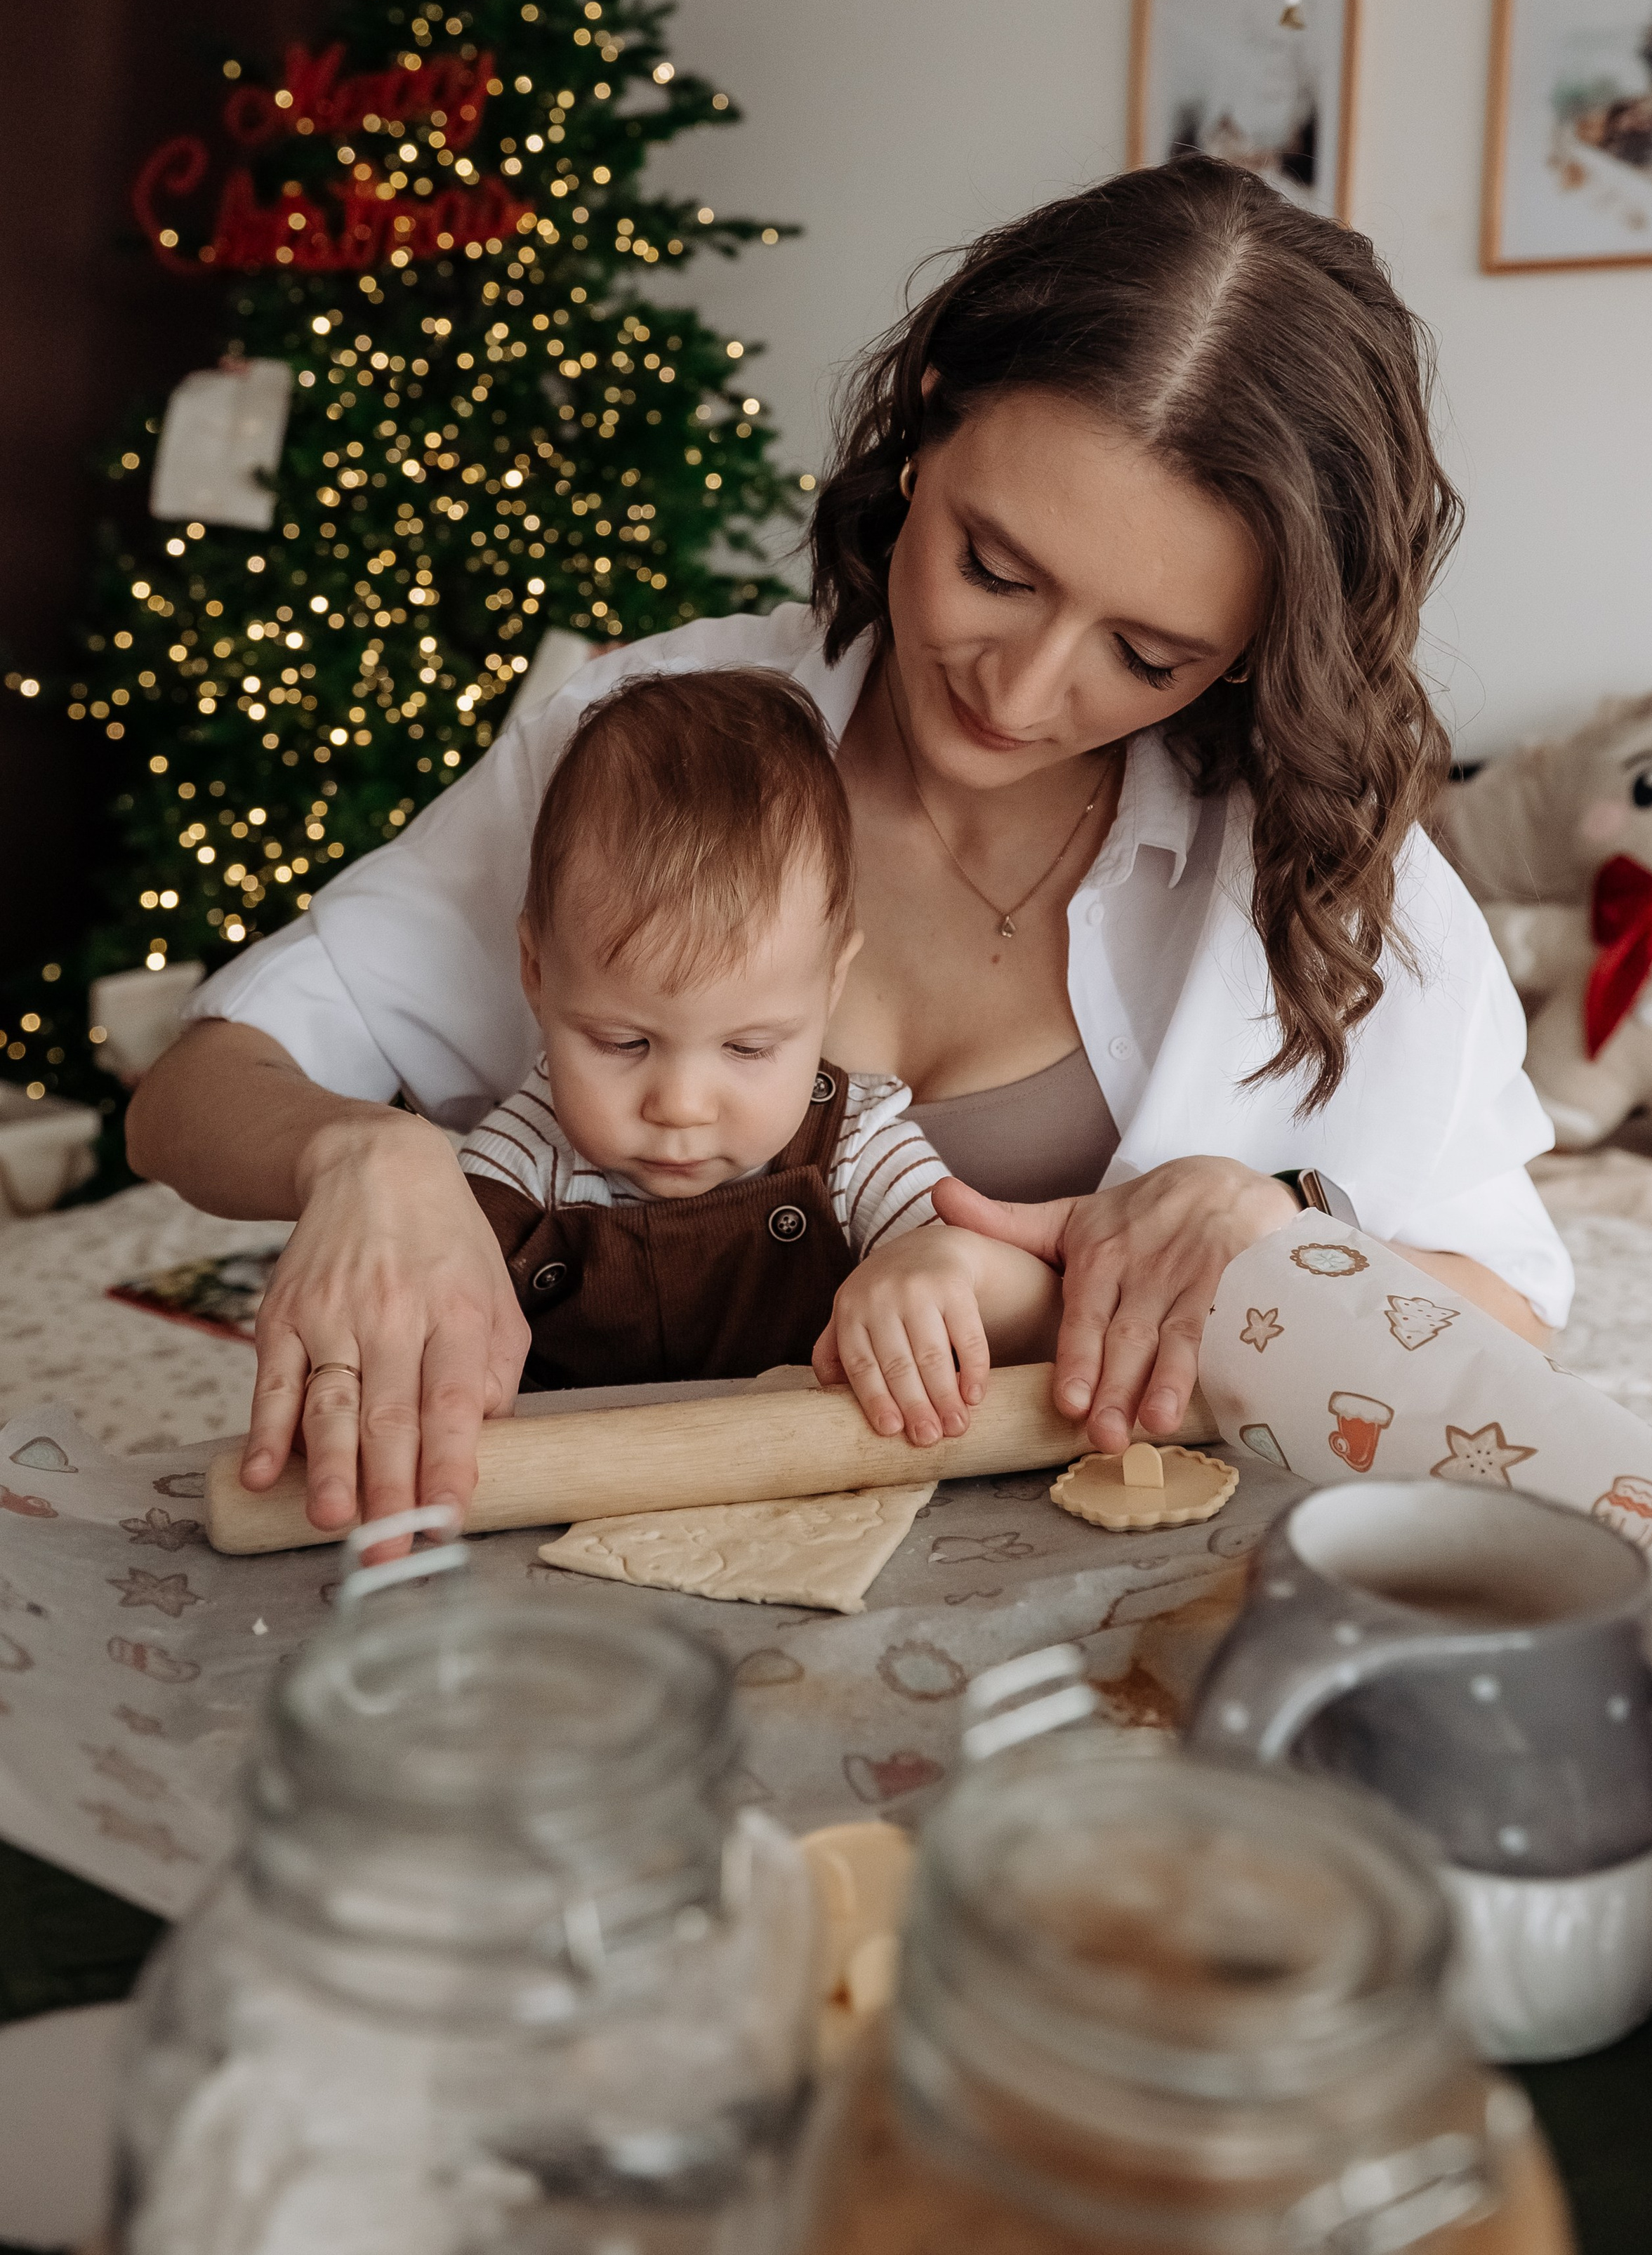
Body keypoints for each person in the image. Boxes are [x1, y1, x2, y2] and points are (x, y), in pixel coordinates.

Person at [128, 156, 1573, 1542]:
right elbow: (198, 1088)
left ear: (1261, 645)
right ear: (925, 425)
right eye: (990, 569)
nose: (1016, 693)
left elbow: (1506, 1318)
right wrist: (364, 1157)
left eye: (1146, 654)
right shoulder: (649, 745)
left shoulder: (1316, 871)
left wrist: (1275, 1240)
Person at [460, 662, 1058, 1415]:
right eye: (622, 1042)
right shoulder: (517, 1164)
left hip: (817, 1498)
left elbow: (997, 1284)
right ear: (537, 972)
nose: (680, 1107)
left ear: (831, 985)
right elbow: (423, 1289)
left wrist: (943, 1266)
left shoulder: (854, 1147)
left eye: (746, 1049)